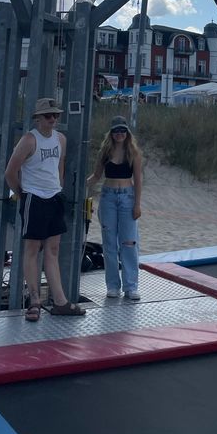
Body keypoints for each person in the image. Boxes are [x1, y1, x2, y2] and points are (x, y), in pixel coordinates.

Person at [4, 97, 86, 320]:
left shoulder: (61, 139)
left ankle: (60, 301)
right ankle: (34, 300)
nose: (53, 119)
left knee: (53, 250)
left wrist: (57, 187)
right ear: (38, 118)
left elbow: (59, 164)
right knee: (32, 250)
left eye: (56, 115)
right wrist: (22, 193)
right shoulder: (29, 140)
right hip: (34, 197)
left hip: (53, 197)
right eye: (48, 116)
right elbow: (10, 172)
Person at [86, 115, 143, 300]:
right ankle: (112, 286)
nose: (120, 134)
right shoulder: (105, 152)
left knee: (128, 243)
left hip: (127, 197)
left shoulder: (133, 152)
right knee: (109, 244)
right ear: (111, 133)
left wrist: (137, 204)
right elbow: (96, 176)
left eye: (123, 131)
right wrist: (80, 186)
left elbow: (138, 180)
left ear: (127, 133)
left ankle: (131, 286)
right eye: (116, 131)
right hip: (108, 196)